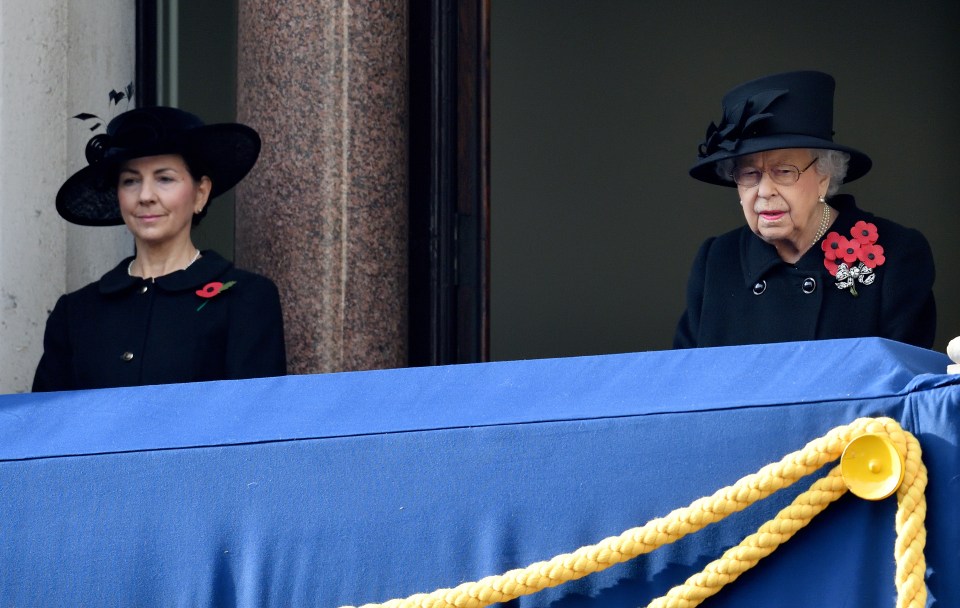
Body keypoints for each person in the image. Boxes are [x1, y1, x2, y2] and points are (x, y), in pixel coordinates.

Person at [674, 71, 936, 349]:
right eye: (749, 174)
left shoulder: (897, 253)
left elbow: (904, 385)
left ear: (824, 176)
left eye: (784, 171)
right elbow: (686, 382)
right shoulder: (716, 261)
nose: (764, 191)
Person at [32, 106, 287, 391]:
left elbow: (255, 422)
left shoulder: (245, 298)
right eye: (130, 181)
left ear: (200, 193)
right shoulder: (75, 312)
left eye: (164, 178)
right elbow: (47, 426)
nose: (145, 196)